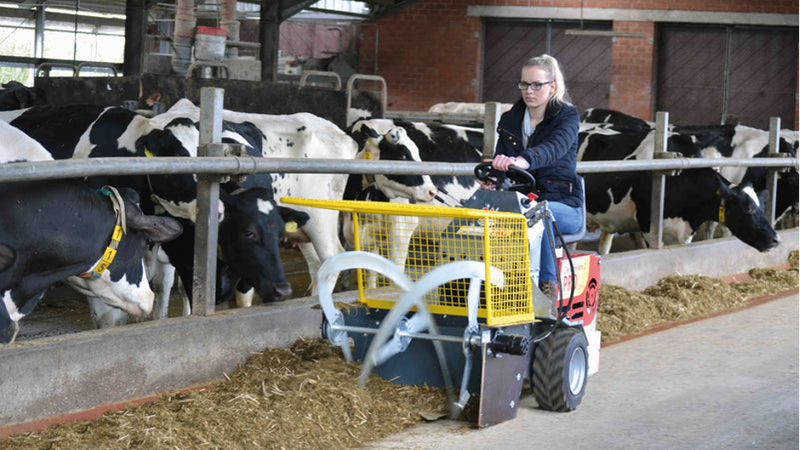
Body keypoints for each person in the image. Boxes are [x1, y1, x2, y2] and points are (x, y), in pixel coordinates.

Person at [488, 54, 583, 312]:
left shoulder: (567, 117)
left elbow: (554, 148)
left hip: (563, 204)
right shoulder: (509, 120)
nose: (529, 91)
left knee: (539, 215)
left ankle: (547, 296)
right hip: (521, 202)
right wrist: (493, 177)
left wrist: (523, 161)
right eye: (524, 84)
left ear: (552, 86)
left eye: (536, 85)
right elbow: (501, 159)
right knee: (480, 215)